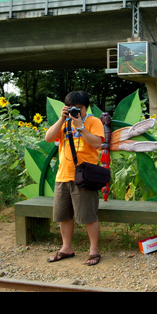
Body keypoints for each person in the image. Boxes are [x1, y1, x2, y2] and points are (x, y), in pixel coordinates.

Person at [44, 91, 105, 266]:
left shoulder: (93, 121)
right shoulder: (64, 122)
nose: (76, 112)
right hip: (63, 175)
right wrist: (62, 119)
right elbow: (48, 138)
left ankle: (93, 250)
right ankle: (66, 248)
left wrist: (81, 126)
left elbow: (97, 143)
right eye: (72, 109)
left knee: (88, 215)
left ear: (86, 108)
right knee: (63, 216)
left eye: (79, 109)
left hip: (84, 177)